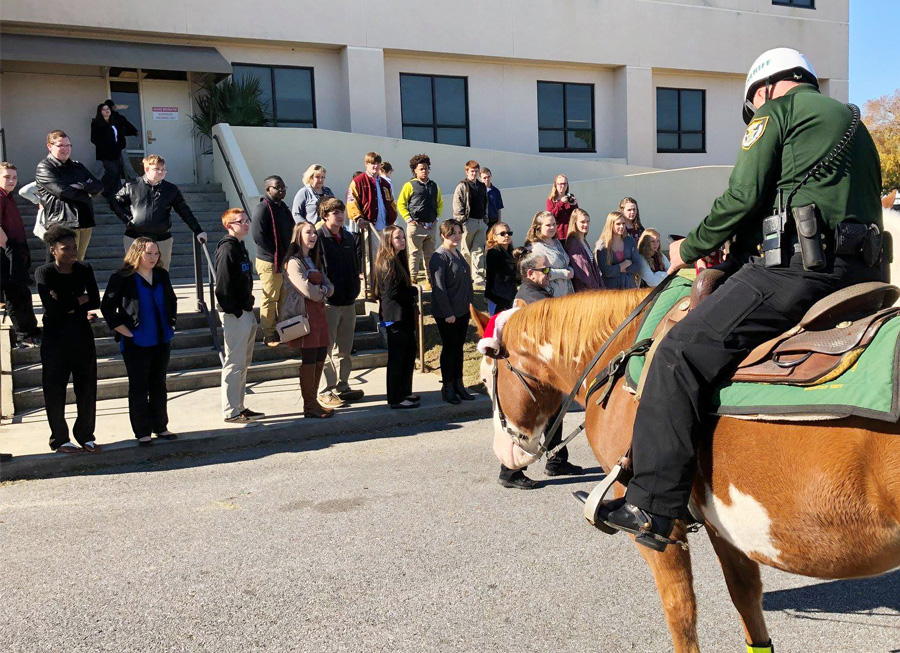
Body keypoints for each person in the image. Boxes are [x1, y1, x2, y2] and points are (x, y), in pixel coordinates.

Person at [599, 48, 885, 551]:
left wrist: (688, 248)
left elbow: (742, 197)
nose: (754, 112)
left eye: (753, 104)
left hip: (799, 275)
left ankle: (651, 506)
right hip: (865, 277)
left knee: (678, 354)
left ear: (765, 88)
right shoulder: (856, 125)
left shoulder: (777, 112)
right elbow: (784, 202)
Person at [498, 252, 584, 489]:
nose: (549, 274)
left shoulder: (534, 292)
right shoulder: (533, 297)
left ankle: (556, 460)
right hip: (532, 370)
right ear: (531, 273)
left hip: (540, 366)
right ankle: (510, 472)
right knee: (528, 422)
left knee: (554, 412)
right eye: (545, 270)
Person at [101, 237, 178, 446]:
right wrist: (124, 331)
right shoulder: (122, 278)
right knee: (139, 387)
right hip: (137, 341)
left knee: (159, 384)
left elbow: (171, 299)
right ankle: (142, 431)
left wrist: (171, 322)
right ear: (137, 254)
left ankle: (160, 426)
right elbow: (107, 307)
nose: (153, 257)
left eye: (156, 253)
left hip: (161, 338)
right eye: (148, 253)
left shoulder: (161, 274)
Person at [35, 225, 101, 453]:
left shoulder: (84, 269)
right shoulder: (44, 272)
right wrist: (79, 300)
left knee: (87, 388)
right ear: (53, 250)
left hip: (82, 336)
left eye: (74, 247)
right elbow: (51, 309)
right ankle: (60, 439)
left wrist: (64, 301)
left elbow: (95, 300)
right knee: (55, 390)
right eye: (66, 248)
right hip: (55, 339)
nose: (73, 252)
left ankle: (86, 435)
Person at [110, 154, 207, 270]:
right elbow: (115, 203)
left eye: (163, 169)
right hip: (135, 237)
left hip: (162, 238)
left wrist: (198, 230)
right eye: (157, 169)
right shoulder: (132, 185)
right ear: (147, 169)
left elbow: (185, 212)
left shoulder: (171, 189)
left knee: (162, 273)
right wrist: (127, 219)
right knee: (133, 272)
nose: (161, 172)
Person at [215, 208, 264, 424]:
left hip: (245, 310)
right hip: (235, 313)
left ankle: (239, 406)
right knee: (234, 363)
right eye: (239, 221)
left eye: (246, 220)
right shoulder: (227, 248)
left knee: (243, 362)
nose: (245, 224)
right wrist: (234, 310)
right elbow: (223, 284)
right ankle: (231, 410)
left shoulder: (240, 246)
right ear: (229, 225)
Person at [316, 197, 365, 409]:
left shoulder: (348, 236)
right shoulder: (318, 237)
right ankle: (325, 390)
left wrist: (355, 288)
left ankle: (342, 385)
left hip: (348, 300)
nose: (340, 216)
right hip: (329, 303)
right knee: (326, 349)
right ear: (324, 216)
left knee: (345, 349)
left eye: (341, 212)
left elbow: (355, 264)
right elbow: (317, 269)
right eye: (335, 212)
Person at [283, 221, 335, 418]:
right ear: (298, 236)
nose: (313, 236)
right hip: (304, 315)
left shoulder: (314, 260)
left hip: (319, 314)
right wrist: (323, 292)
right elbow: (306, 290)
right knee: (310, 357)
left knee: (321, 354)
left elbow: (330, 286)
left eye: (314, 232)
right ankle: (310, 406)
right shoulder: (293, 262)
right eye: (308, 232)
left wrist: (323, 291)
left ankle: (314, 402)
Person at [34, 130, 104, 261]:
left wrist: (81, 186)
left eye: (68, 145)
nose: (65, 149)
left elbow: (99, 186)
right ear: (49, 146)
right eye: (60, 145)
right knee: (63, 264)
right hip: (63, 223)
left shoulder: (77, 166)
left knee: (78, 263)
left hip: (84, 220)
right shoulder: (45, 167)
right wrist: (87, 192)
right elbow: (62, 192)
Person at [429, 219, 474, 404]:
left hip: (462, 311)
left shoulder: (458, 253)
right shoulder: (439, 257)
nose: (457, 236)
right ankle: (447, 387)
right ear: (442, 236)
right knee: (449, 349)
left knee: (458, 348)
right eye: (452, 233)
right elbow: (439, 288)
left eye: (459, 232)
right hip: (447, 313)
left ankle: (458, 384)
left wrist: (469, 305)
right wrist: (448, 313)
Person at [375, 224, 419, 410]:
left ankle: (405, 391)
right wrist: (412, 292)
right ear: (388, 240)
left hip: (404, 314)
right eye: (397, 238)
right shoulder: (387, 261)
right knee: (397, 356)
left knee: (409, 352)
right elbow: (392, 293)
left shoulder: (399, 258)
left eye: (402, 237)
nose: (402, 240)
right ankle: (396, 397)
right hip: (394, 315)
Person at [0, 162, 41, 347]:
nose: (11, 181)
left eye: (14, 177)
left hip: (17, 250)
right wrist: (10, 251)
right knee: (14, 295)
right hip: (7, 253)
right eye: (7, 177)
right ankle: (24, 334)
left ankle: (32, 329)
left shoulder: (8, 197)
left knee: (23, 293)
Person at [251, 175, 294, 346]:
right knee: (271, 298)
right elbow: (258, 236)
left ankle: (283, 330)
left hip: (285, 260)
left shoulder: (283, 208)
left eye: (283, 187)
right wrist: (276, 253)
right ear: (268, 189)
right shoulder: (262, 208)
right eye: (278, 187)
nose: (282, 190)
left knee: (284, 298)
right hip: (270, 261)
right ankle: (268, 333)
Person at [348, 152, 398, 285]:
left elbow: (391, 202)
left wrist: (393, 217)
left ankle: (384, 285)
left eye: (377, 163)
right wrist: (358, 218)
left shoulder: (385, 183)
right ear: (366, 164)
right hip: (370, 227)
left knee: (387, 258)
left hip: (385, 226)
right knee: (371, 259)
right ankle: (372, 286)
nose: (375, 166)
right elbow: (352, 201)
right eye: (372, 163)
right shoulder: (358, 181)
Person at [396, 153, 442, 288]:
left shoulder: (434, 185)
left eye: (426, 168)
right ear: (415, 170)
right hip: (415, 226)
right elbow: (401, 203)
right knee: (414, 254)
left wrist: (437, 218)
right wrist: (408, 219)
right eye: (421, 169)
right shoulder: (409, 185)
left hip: (431, 226)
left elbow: (439, 203)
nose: (424, 171)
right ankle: (412, 280)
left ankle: (431, 281)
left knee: (430, 255)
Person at [452, 160, 489, 288]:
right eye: (472, 171)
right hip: (467, 222)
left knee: (478, 251)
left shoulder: (482, 186)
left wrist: (485, 220)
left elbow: (485, 203)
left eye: (476, 171)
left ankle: (478, 277)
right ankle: (466, 275)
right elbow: (457, 204)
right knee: (466, 251)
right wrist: (461, 221)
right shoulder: (462, 186)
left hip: (480, 222)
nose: (474, 173)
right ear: (467, 171)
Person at [525, 211, 574, 297]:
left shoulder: (556, 242)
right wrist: (563, 273)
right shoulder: (535, 247)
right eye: (548, 225)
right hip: (551, 296)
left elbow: (564, 262)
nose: (552, 227)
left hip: (567, 294)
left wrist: (571, 270)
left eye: (554, 224)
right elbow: (538, 273)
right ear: (539, 227)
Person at [595, 211, 640, 289]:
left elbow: (637, 265)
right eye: (618, 224)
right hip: (611, 289)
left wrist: (617, 269)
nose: (622, 226)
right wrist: (626, 263)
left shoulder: (630, 241)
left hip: (629, 286)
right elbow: (606, 271)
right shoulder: (603, 245)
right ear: (611, 225)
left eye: (623, 223)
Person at [90, 103, 126, 200]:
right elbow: (94, 139)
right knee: (112, 172)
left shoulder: (114, 122)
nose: (107, 111)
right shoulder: (97, 123)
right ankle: (100, 189)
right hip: (105, 153)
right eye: (104, 109)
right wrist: (104, 146)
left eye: (108, 109)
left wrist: (121, 146)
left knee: (117, 174)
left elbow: (119, 136)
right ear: (100, 112)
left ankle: (113, 195)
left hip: (116, 152)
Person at [564, 208, 603, 292]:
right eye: (582, 222)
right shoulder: (574, 243)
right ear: (575, 223)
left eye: (588, 221)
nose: (586, 224)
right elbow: (583, 272)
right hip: (586, 291)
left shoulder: (583, 241)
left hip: (594, 289)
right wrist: (596, 290)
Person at [484, 222, 518, 315]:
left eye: (509, 233)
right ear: (494, 237)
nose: (506, 236)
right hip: (498, 297)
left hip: (509, 295)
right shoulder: (493, 252)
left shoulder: (510, 252)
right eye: (502, 234)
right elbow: (504, 274)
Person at [104, 99, 139, 181]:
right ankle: (134, 179)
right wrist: (133, 132)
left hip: (110, 144)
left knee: (103, 162)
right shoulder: (119, 118)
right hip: (119, 144)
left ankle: (95, 178)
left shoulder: (106, 119)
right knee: (125, 162)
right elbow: (131, 128)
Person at [546, 174, 578, 240]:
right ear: (556, 185)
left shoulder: (570, 197)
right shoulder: (551, 199)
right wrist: (561, 203)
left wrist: (574, 205)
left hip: (570, 233)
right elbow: (550, 216)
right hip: (557, 235)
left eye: (564, 184)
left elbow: (576, 215)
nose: (562, 186)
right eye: (560, 184)